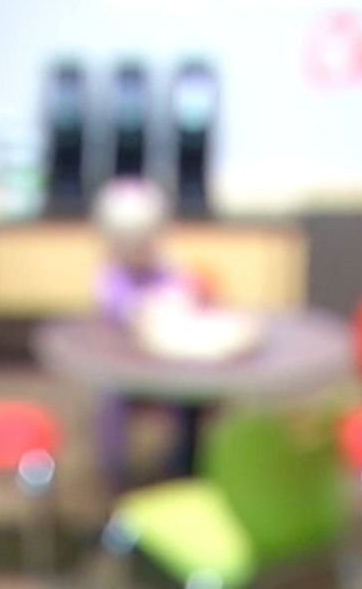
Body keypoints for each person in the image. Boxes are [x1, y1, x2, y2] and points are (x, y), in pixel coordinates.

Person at [92, 179, 208, 490]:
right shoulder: (112, 276)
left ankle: (185, 468)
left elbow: (186, 294)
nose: (140, 251)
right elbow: (120, 309)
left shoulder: (167, 269)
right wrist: (142, 311)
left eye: (146, 242)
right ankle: (116, 474)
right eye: (131, 243)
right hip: (126, 369)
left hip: (173, 366)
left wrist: (181, 301)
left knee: (194, 399)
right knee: (110, 400)